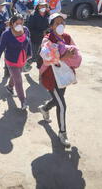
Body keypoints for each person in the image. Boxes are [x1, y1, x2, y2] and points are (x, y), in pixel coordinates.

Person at [37, 12, 81, 147]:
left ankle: (44, 108)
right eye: (57, 23)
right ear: (51, 26)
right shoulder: (47, 39)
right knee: (62, 105)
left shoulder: (67, 37)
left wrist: (72, 55)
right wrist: (64, 56)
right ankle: (63, 133)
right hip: (51, 77)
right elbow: (47, 59)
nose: (61, 25)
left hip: (64, 75)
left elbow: (76, 53)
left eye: (62, 22)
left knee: (58, 99)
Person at [0, 14, 32, 110]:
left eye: (21, 22)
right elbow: (0, 49)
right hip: (11, 60)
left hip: (22, 58)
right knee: (18, 80)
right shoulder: (6, 34)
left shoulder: (26, 30)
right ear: (12, 23)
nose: (19, 25)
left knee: (15, 75)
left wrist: (29, 54)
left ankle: (9, 87)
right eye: (17, 23)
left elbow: (29, 41)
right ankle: (23, 101)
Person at [26, 0, 50, 71]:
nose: (43, 7)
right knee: (33, 56)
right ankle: (27, 63)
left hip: (44, 39)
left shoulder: (47, 15)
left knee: (41, 55)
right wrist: (41, 33)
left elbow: (49, 26)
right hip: (34, 39)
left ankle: (40, 68)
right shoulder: (33, 15)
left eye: (44, 6)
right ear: (38, 7)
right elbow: (29, 29)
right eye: (41, 6)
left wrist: (48, 31)